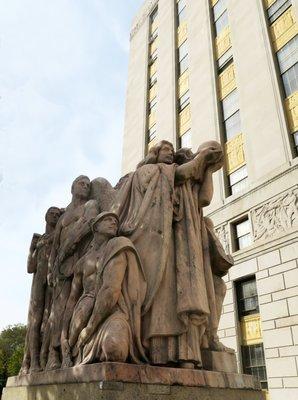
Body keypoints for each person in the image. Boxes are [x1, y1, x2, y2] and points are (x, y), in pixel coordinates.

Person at [113, 140, 224, 368]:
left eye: (172, 152)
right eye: (166, 150)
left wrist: (209, 169)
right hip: (152, 244)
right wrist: (202, 157)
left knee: (180, 297)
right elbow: (182, 173)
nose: (170, 154)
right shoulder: (150, 171)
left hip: (177, 246)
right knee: (161, 299)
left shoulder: (177, 182)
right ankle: (157, 354)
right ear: (154, 153)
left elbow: (204, 198)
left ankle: (187, 355)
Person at [64, 212, 147, 366]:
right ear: (95, 227)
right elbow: (71, 301)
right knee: (85, 307)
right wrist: (65, 336)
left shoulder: (118, 245)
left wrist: (89, 329)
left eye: (115, 220)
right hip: (83, 316)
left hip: (112, 312)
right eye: (107, 219)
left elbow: (111, 290)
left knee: (115, 350)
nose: (113, 222)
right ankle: (71, 352)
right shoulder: (82, 263)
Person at [44, 176, 99, 370]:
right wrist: (51, 268)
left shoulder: (91, 204)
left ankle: (74, 349)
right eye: (81, 183)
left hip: (82, 262)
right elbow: (55, 245)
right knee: (57, 312)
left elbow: (89, 224)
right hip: (61, 268)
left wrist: (69, 246)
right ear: (72, 187)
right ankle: (54, 353)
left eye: (87, 184)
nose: (85, 186)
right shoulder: (64, 216)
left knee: (77, 306)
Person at [20, 207, 62, 374]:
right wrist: (32, 250)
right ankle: (32, 361)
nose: (55, 216)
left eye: (58, 214)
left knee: (51, 319)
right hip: (38, 283)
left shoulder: (59, 236)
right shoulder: (40, 240)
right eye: (52, 213)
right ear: (46, 217)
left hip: (54, 282)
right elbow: (30, 268)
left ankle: (47, 357)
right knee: (35, 321)